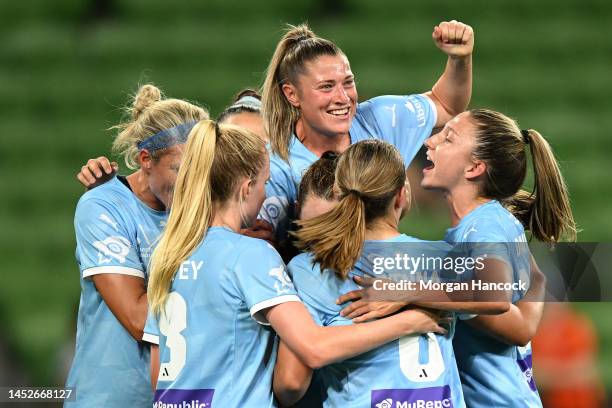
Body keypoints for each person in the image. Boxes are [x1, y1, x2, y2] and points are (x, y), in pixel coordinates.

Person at [142, 121, 448, 407]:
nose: (267, 195)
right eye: (264, 184)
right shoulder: (251, 255)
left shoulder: (168, 254)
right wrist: (413, 320)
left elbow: (158, 375)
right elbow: (312, 349)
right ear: (247, 188)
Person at [278, 140, 509, 407]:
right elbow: (498, 298)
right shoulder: (444, 257)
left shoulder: (312, 268)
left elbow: (289, 384)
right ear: (401, 195)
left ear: (338, 193)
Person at [259, 21, 474, 244]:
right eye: (326, 86)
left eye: (348, 82)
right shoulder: (274, 168)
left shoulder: (381, 119)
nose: (343, 97)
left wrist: (460, 59)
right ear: (292, 94)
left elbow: (446, 105)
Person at [419, 109, 576, 407]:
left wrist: (408, 291)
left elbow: (516, 326)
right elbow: (535, 282)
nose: (430, 141)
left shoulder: (484, 228)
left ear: (474, 168)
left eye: (448, 138)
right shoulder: (489, 221)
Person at [65, 84, 209, 406]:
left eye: (200, 170)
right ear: (146, 159)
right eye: (180, 169)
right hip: (111, 398)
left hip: (184, 397)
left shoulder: (203, 207)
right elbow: (136, 316)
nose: (192, 182)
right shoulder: (103, 207)